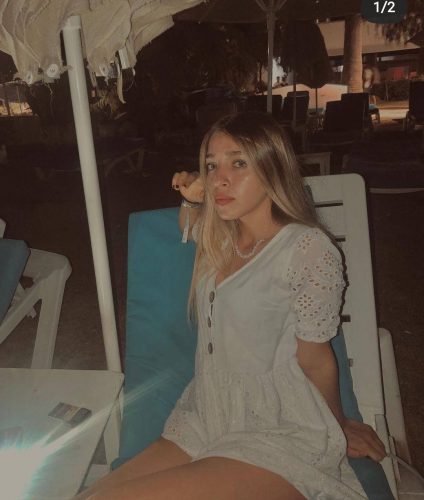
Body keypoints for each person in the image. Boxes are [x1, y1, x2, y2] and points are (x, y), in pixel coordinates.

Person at [77, 111, 386, 500]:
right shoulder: (222, 238)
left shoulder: (306, 249)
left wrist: (336, 423)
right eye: (211, 165)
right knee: (92, 494)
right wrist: (191, 198)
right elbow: (190, 226)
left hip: (278, 426)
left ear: (273, 167)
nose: (218, 179)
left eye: (238, 163)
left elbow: (316, 358)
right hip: (209, 412)